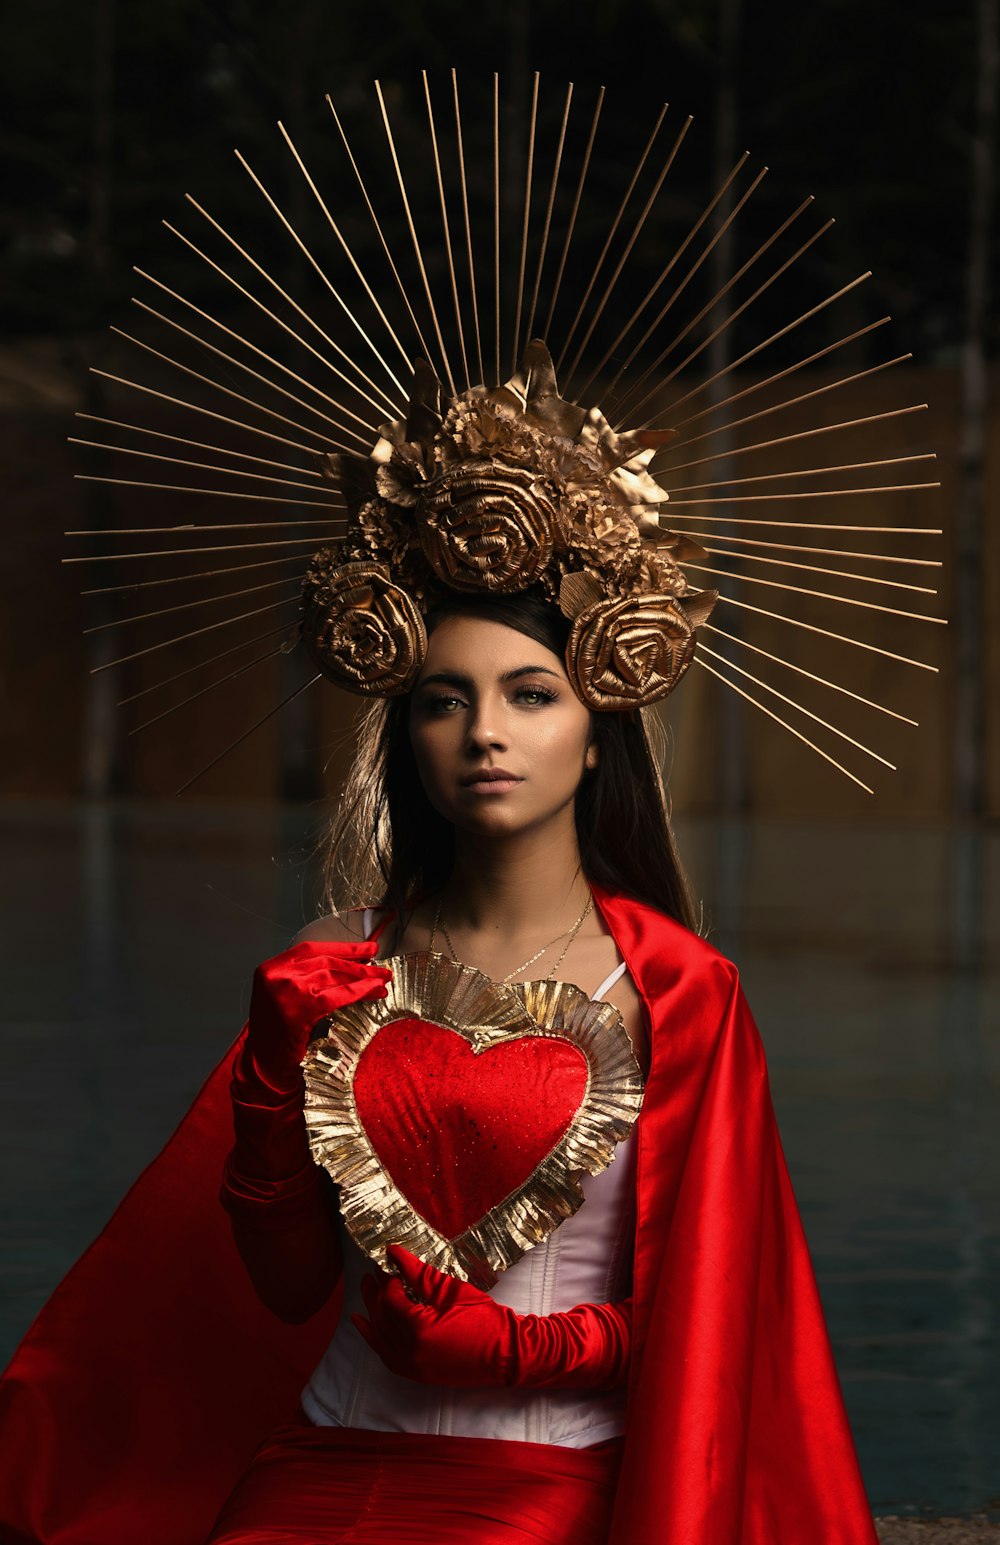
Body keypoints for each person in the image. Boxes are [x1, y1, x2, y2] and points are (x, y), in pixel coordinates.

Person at [0, 345, 882, 1543]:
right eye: (442, 697)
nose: (484, 734)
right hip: (322, 1454)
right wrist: (268, 1091)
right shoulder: (334, 957)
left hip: (546, 1483)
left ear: (596, 721)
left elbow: (715, 1325)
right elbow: (289, 1286)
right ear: (405, 728)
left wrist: (512, 1349)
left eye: (530, 693)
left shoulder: (676, 990)